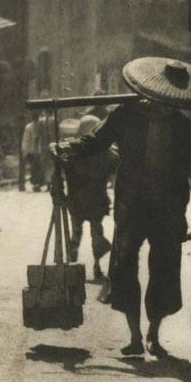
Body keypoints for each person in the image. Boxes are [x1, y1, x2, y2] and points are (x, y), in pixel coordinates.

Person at [56, 57, 191, 357]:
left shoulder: (183, 127)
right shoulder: (127, 115)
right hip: (132, 204)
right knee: (123, 266)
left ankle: (153, 336)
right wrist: (68, 148)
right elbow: (97, 141)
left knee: (164, 269)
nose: (166, 106)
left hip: (169, 208)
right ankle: (134, 336)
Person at [64, 112, 119, 280]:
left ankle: (71, 267)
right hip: (97, 200)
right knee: (97, 233)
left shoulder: (71, 152)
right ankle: (96, 268)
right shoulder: (107, 154)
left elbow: (60, 169)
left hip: (76, 200)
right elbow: (115, 176)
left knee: (76, 233)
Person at [21, 111, 43, 191]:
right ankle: (36, 185)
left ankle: (38, 184)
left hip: (38, 150)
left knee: (38, 168)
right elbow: (26, 139)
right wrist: (25, 150)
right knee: (35, 168)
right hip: (33, 151)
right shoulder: (29, 127)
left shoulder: (40, 125)